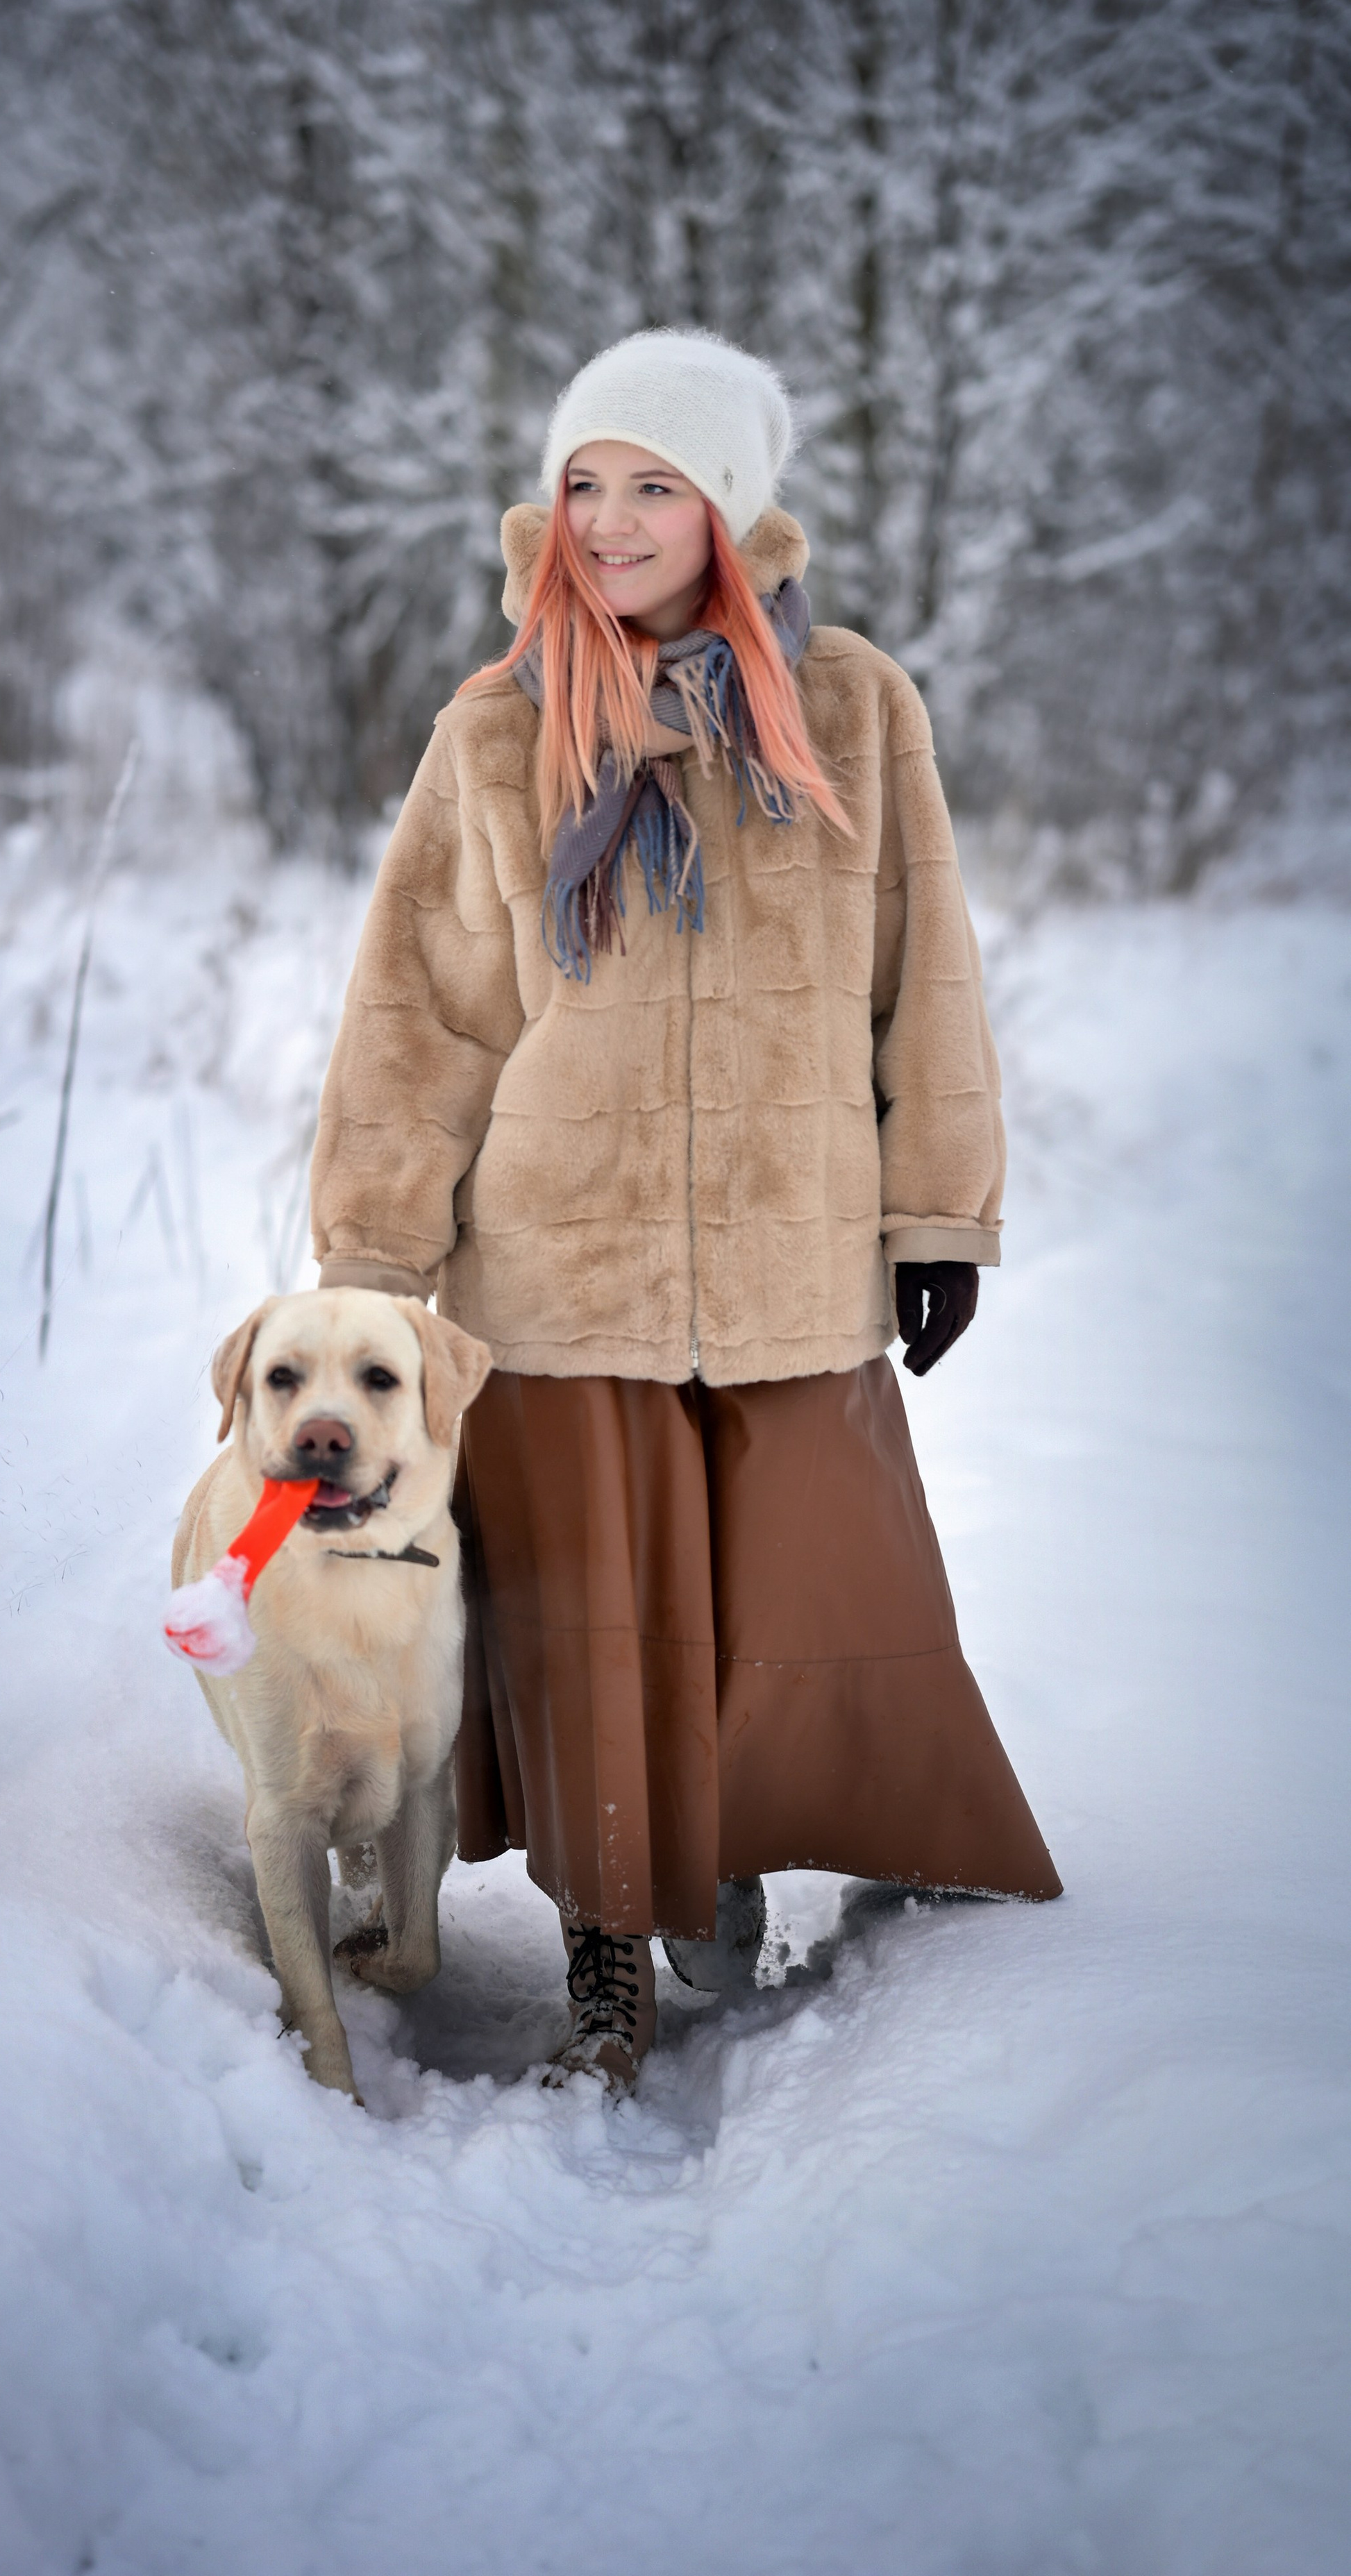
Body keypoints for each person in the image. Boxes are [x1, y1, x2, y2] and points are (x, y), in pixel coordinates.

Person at [308, 328, 1060, 2092]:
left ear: (729, 504)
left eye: (656, 484)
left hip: (795, 1250)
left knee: (818, 1600)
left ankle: (731, 1858)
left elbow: (919, 977)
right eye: (586, 481)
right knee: (592, 1619)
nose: (614, 520)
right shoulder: (499, 729)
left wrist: (935, 1215)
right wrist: (373, 1258)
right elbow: (418, 1014)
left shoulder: (854, 709)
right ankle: (604, 1961)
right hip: (560, 1261)